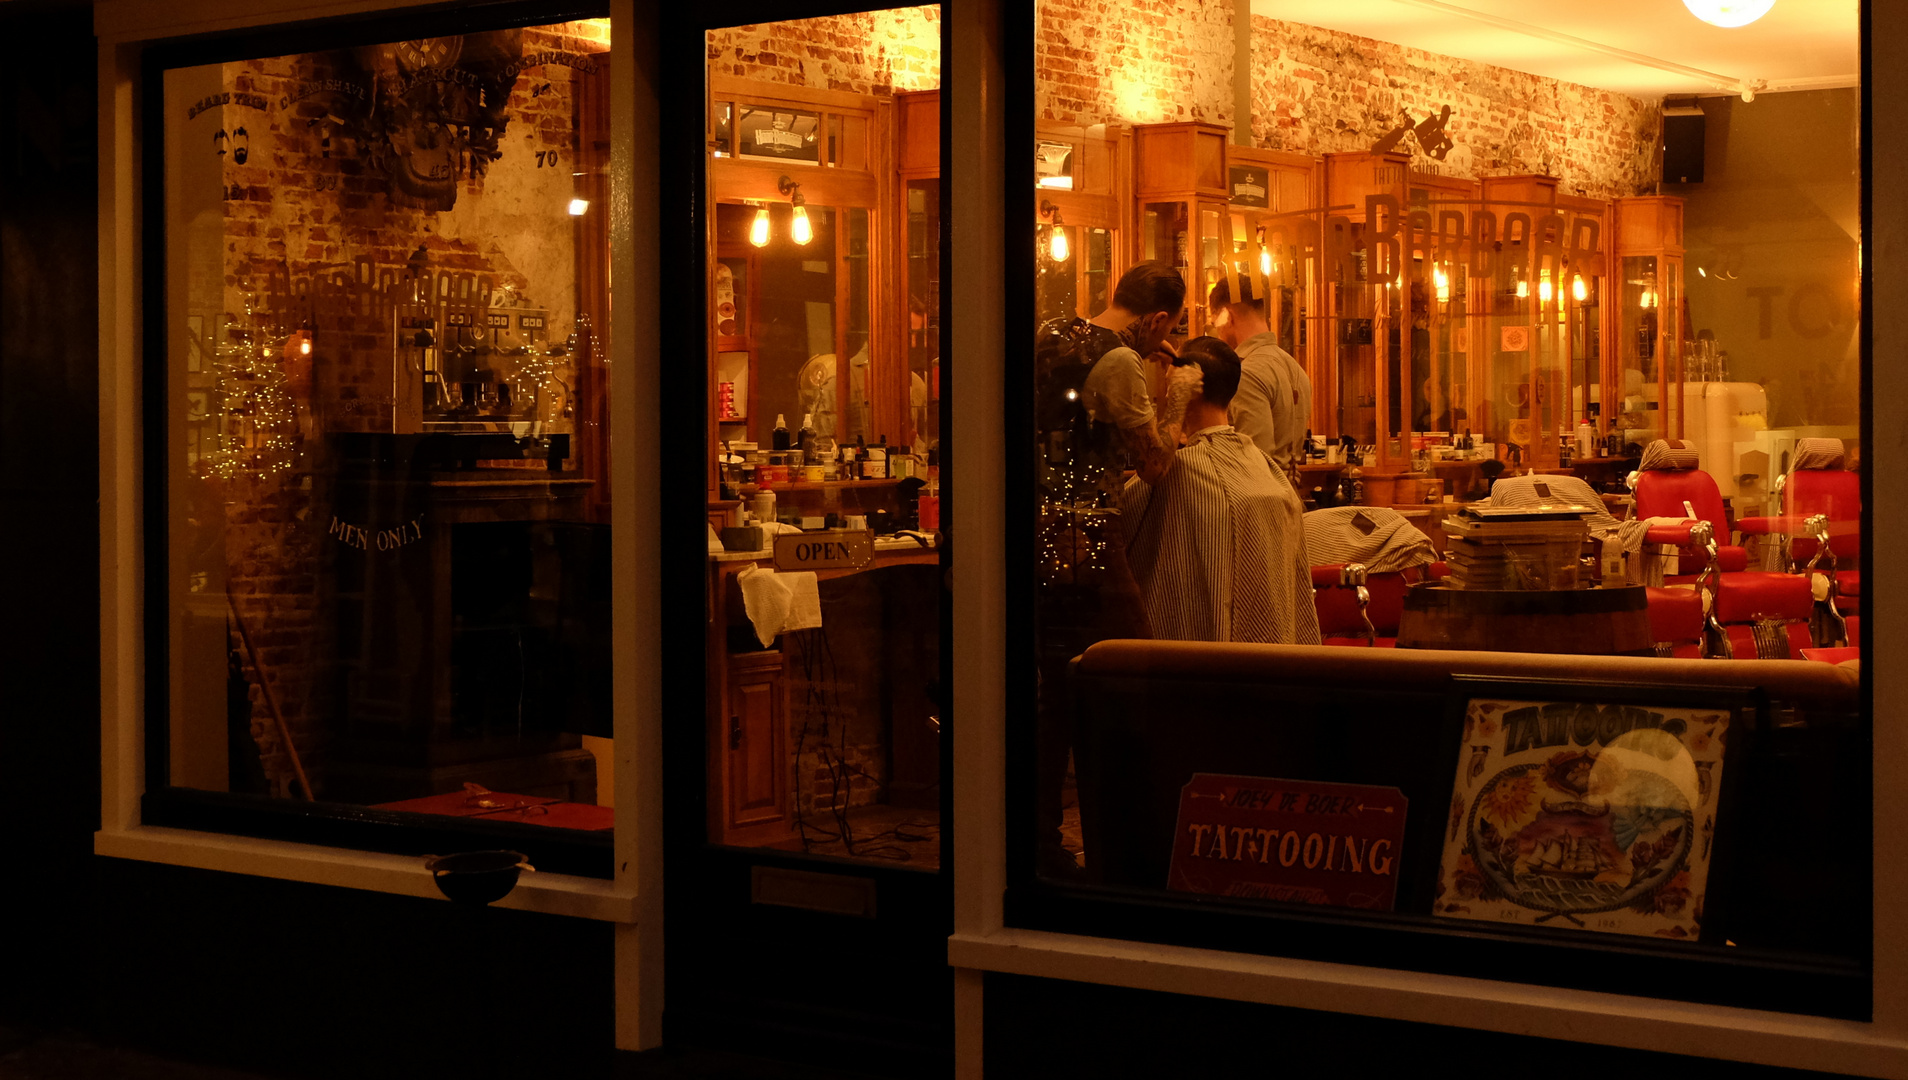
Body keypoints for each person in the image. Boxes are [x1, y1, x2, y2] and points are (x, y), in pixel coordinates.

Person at [1031, 259, 1186, 878]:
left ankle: (1040, 836)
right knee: (1135, 672)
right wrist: (1174, 399)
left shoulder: (1048, 334)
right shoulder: (1122, 362)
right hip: (1088, 534)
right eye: (1169, 326)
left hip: (1038, 531)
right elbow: (1154, 464)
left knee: (1054, 695)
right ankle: (1133, 838)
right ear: (1154, 320)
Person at [1122, 336, 1321, 645]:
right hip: (1272, 663)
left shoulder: (1173, 477)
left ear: (1186, 386)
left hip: (1189, 666)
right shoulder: (1271, 475)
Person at [1207, 275, 1311, 473]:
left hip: (1260, 500)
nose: (1218, 333)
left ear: (1227, 316)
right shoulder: (1295, 367)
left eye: (1215, 324)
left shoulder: (1246, 372)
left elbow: (1254, 462)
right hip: (1290, 495)